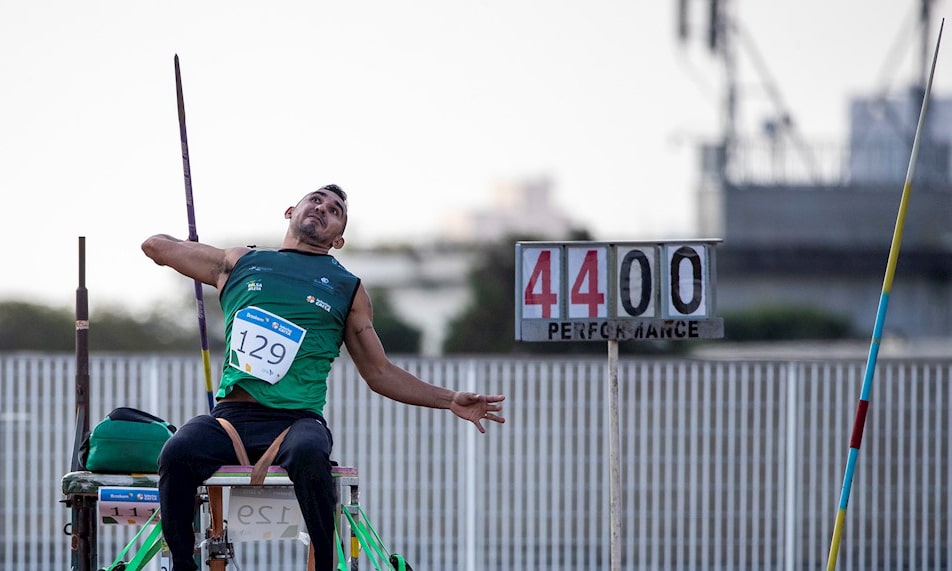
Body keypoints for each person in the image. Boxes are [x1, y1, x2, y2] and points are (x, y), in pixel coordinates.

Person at [142, 184, 506, 571]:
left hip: (295, 422)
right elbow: (154, 246)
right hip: (230, 420)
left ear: (339, 238)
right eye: (315, 200)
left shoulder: (347, 289)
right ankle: (183, 564)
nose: (322, 208)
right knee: (177, 452)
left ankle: (325, 566)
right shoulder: (239, 262)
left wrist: (449, 399)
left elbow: (379, 372)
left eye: (335, 211)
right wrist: (183, 245)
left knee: (310, 453)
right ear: (290, 211)